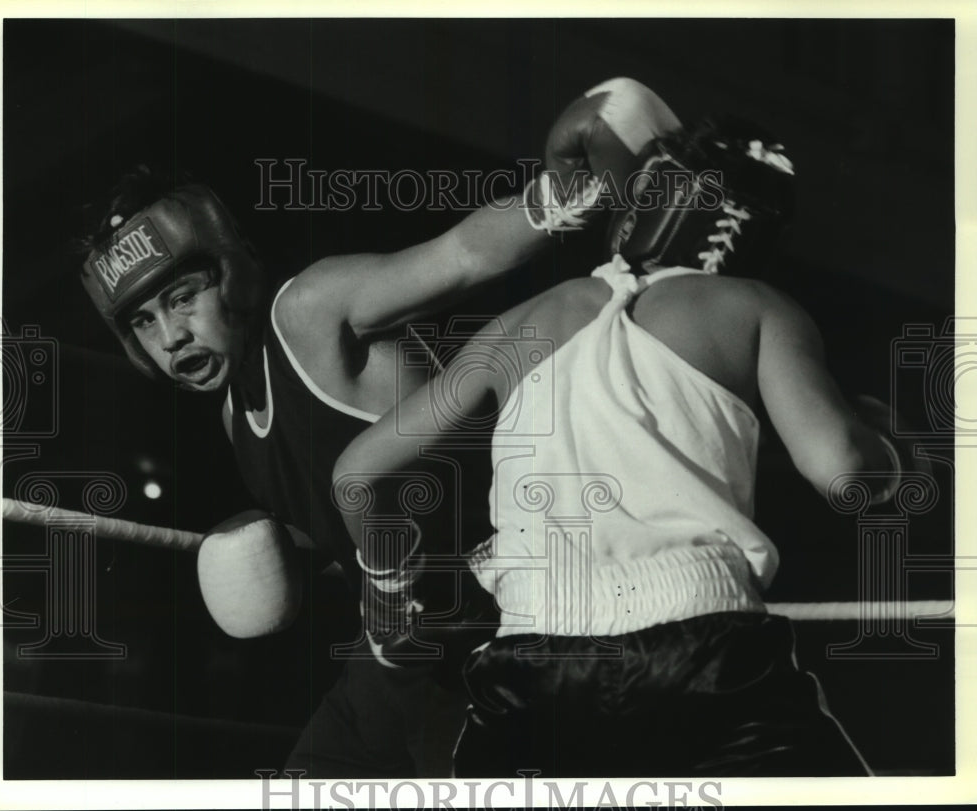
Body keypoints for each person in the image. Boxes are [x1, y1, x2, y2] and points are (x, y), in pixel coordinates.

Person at [76, 77, 682, 776]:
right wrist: (279, 549)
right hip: (391, 655)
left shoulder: (307, 311)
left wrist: (573, 186)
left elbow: (460, 258)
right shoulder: (232, 414)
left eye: (183, 298)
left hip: (497, 625)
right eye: (145, 323)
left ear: (229, 274)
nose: (171, 335)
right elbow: (351, 537)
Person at [333, 115, 921, 776]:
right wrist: (887, 447)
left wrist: (391, 596)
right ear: (752, 229)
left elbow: (357, 472)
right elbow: (840, 470)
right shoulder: (753, 305)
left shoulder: (518, 325)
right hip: (701, 645)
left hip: (530, 655)